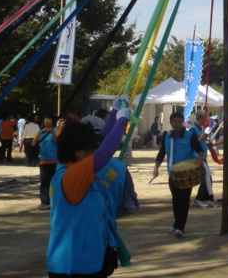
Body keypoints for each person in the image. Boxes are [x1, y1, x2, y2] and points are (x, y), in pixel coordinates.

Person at [46, 107, 131, 277]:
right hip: (74, 266)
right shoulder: (71, 176)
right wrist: (122, 122)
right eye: (91, 150)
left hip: (87, 261)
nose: (95, 152)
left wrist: (114, 113)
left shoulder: (73, 169)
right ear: (78, 153)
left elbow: (99, 141)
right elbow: (104, 152)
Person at [152, 111, 205, 238]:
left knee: (184, 200)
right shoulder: (167, 137)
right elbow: (161, 154)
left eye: (180, 122)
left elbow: (199, 150)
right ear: (170, 123)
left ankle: (180, 227)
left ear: (183, 123)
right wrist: (156, 168)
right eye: (175, 122)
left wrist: (200, 160)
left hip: (186, 174)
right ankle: (176, 225)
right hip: (172, 174)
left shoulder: (189, 136)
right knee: (176, 200)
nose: (177, 124)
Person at [191, 110, 218, 209]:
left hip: (203, 157)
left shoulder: (201, 129)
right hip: (197, 158)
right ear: (201, 118)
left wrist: (207, 143)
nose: (206, 120)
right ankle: (199, 199)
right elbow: (191, 143)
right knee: (205, 178)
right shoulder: (193, 130)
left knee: (207, 178)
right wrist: (200, 138)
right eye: (205, 118)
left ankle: (208, 198)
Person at [32, 116, 59, 210]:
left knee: (54, 181)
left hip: (54, 160)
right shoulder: (40, 132)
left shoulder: (57, 131)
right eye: (45, 119)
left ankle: (55, 200)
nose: (47, 121)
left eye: (49, 119)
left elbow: (58, 141)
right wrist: (34, 143)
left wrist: (52, 133)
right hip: (43, 161)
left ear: (53, 121)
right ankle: (44, 201)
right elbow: (33, 142)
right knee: (44, 181)